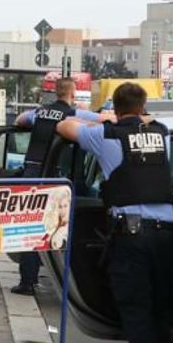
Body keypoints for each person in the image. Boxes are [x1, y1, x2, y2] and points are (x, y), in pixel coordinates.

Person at [57, 82, 173, 343]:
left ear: (116, 107)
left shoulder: (107, 136)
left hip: (131, 236)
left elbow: (63, 125)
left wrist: (102, 119)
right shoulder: (163, 134)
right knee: (160, 313)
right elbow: (147, 123)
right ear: (143, 106)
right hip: (167, 236)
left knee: (137, 314)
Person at [10, 77, 107, 295]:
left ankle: (27, 281)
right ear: (72, 95)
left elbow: (19, 120)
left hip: (31, 172)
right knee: (54, 228)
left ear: (55, 92)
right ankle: (69, 282)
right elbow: (104, 120)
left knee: (30, 227)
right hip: (51, 175)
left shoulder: (40, 112)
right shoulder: (73, 113)